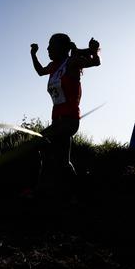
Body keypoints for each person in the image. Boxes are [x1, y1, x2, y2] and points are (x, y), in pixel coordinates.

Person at [30, 33, 101, 193]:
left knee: (37, 145)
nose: (47, 48)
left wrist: (95, 50)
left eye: (51, 45)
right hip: (57, 121)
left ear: (61, 48)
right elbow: (40, 71)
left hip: (69, 121)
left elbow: (96, 62)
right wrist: (33, 55)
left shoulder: (71, 62)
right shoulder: (53, 66)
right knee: (63, 162)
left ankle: (39, 190)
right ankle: (77, 194)